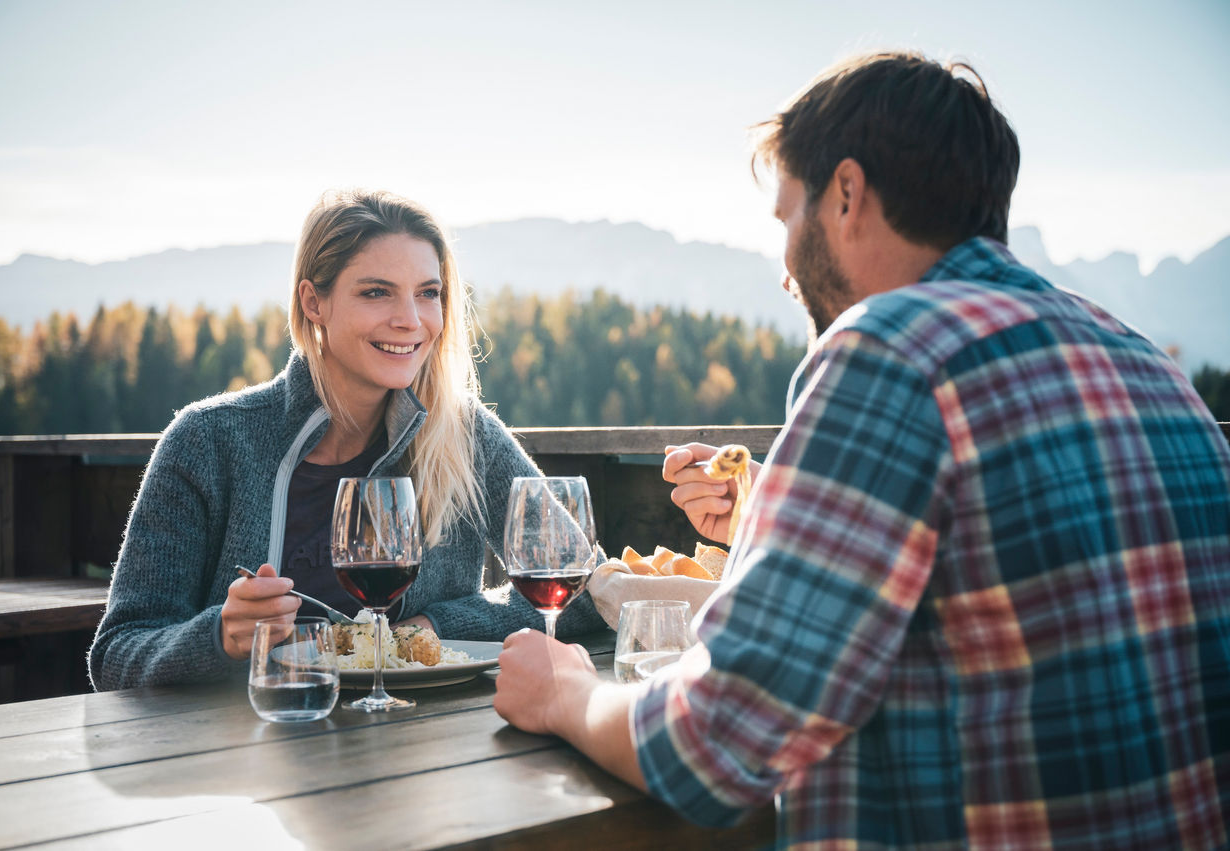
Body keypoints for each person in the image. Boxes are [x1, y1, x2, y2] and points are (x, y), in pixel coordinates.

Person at [494, 51, 1230, 848]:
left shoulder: (888, 350)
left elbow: (715, 744)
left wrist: (564, 694)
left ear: (846, 194)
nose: (785, 269)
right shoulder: (1147, 365)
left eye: (787, 218)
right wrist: (776, 511)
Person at [89, 189, 602, 690]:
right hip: (252, 737)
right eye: (376, 292)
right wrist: (220, 636)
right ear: (314, 302)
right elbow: (117, 653)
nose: (410, 319)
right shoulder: (208, 442)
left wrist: (437, 627)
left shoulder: (466, 436)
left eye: (428, 293)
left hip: (428, 737)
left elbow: (589, 587)